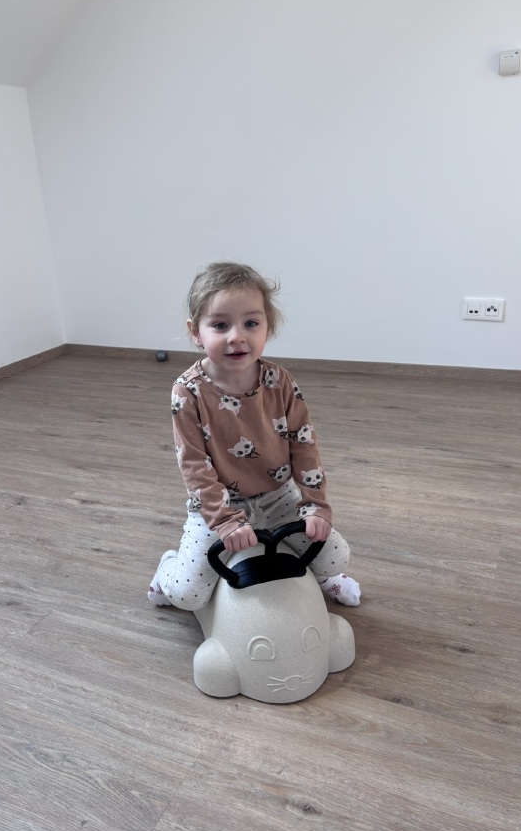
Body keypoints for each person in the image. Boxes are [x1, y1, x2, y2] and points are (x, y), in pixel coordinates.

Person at [148, 261, 361, 611]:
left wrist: (315, 506)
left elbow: (304, 445)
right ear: (196, 332)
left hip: (279, 496)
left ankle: (322, 578)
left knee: (335, 557)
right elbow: (194, 466)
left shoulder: (280, 381)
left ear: (267, 327)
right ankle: (167, 569)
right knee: (186, 597)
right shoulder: (187, 391)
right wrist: (225, 521)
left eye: (250, 323)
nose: (237, 336)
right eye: (220, 325)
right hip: (218, 504)